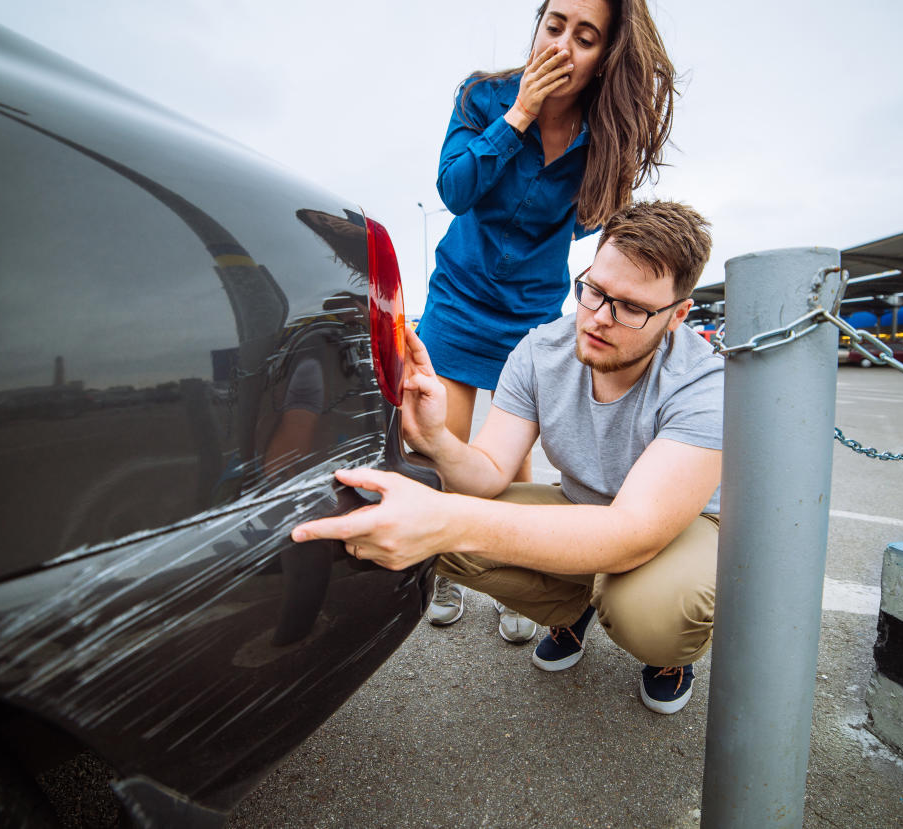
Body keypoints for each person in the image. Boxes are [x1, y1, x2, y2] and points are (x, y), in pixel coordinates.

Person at [292, 200, 721, 714]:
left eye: (631, 307)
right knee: (443, 525)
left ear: (677, 315)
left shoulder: (703, 381)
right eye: (595, 291)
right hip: (584, 507)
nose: (600, 319)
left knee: (650, 613)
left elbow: (633, 533)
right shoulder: (542, 349)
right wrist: (435, 440)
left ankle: (668, 656)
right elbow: (490, 475)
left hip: (678, 526)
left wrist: (449, 520)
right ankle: (571, 609)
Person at [418, 0, 677, 637]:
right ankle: (445, 571)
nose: (562, 45)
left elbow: (591, 218)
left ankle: (518, 579)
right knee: (444, 448)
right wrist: (520, 115)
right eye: (554, 24)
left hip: (532, 310)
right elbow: (455, 190)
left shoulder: (604, 135)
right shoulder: (483, 95)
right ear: (537, 24)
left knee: (510, 460)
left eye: (585, 38)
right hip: (460, 295)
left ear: (603, 59)